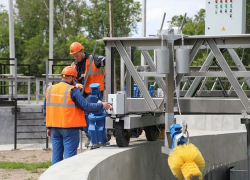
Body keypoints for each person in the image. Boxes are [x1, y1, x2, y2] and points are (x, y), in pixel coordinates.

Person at [44, 66, 111, 165]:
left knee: (56, 157)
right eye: (74, 79)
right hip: (69, 129)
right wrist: (102, 105)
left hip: (54, 128)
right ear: (71, 78)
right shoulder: (72, 90)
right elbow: (86, 106)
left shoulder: (50, 89)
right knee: (70, 160)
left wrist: (48, 127)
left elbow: (46, 110)